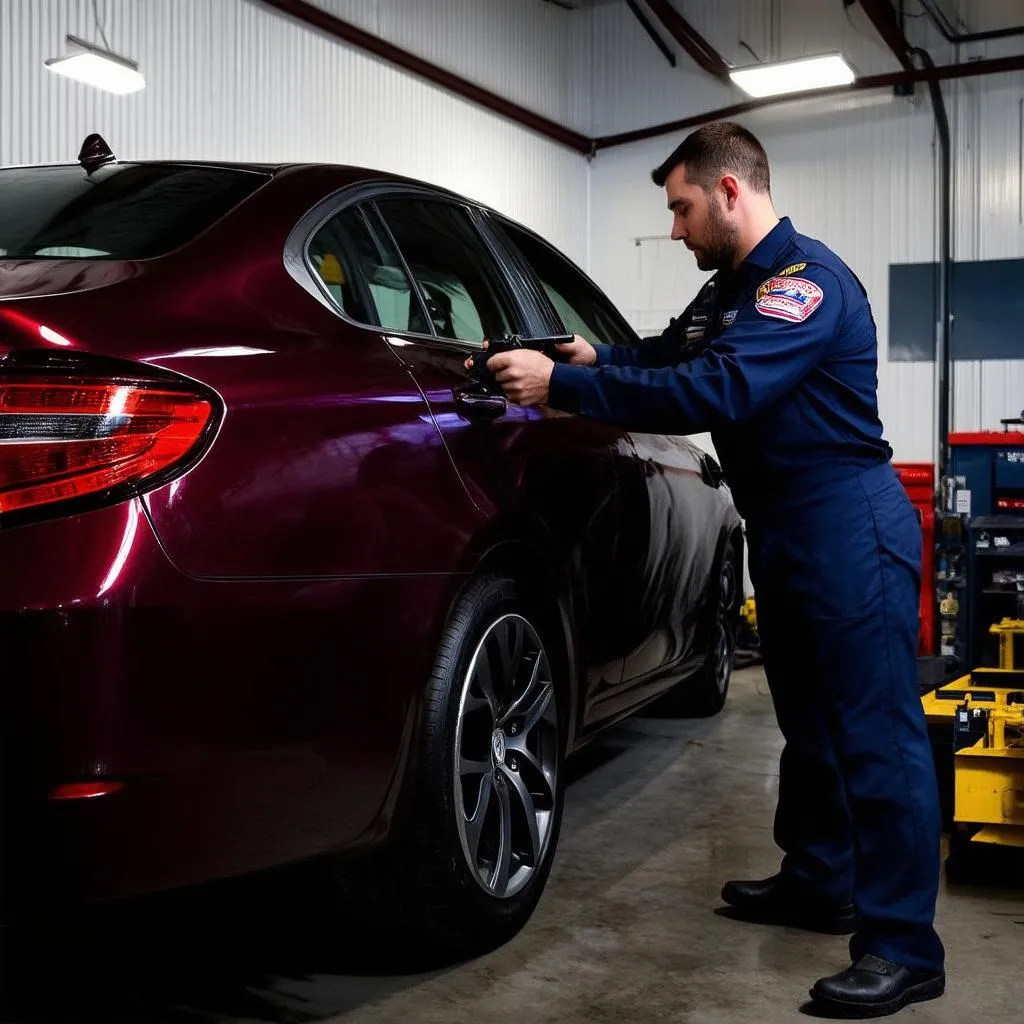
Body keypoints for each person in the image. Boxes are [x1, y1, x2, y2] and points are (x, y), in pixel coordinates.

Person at [473, 121, 946, 1017]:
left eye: (683, 208)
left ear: (732, 192)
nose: (677, 229)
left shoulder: (803, 288)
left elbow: (714, 390)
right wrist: (594, 356)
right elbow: (666, 355)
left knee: (877, 738)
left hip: (847, 521)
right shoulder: (729, 290)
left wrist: (562, 388)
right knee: (809, 728)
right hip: (788, 527)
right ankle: (820, 881)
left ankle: (902, 945)